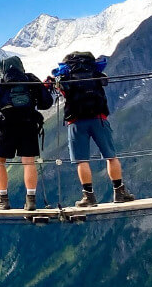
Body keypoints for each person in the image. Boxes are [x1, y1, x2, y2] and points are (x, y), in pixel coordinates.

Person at [51, 51, 135, 207]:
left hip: (76, 121)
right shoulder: (95, 72)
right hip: (99, 118)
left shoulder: (65, 75)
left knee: (82, 160)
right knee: (111, 156)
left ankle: (89, 197)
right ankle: (119, 192)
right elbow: (104, 83)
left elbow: (62, 92)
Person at [0, 56, 53, 211]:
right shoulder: (31, 80)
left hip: (6, 124)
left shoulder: (0, 82)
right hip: (28, 123)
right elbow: (46, 103)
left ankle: (3, 200)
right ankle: (31, 201)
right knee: (29, 161)